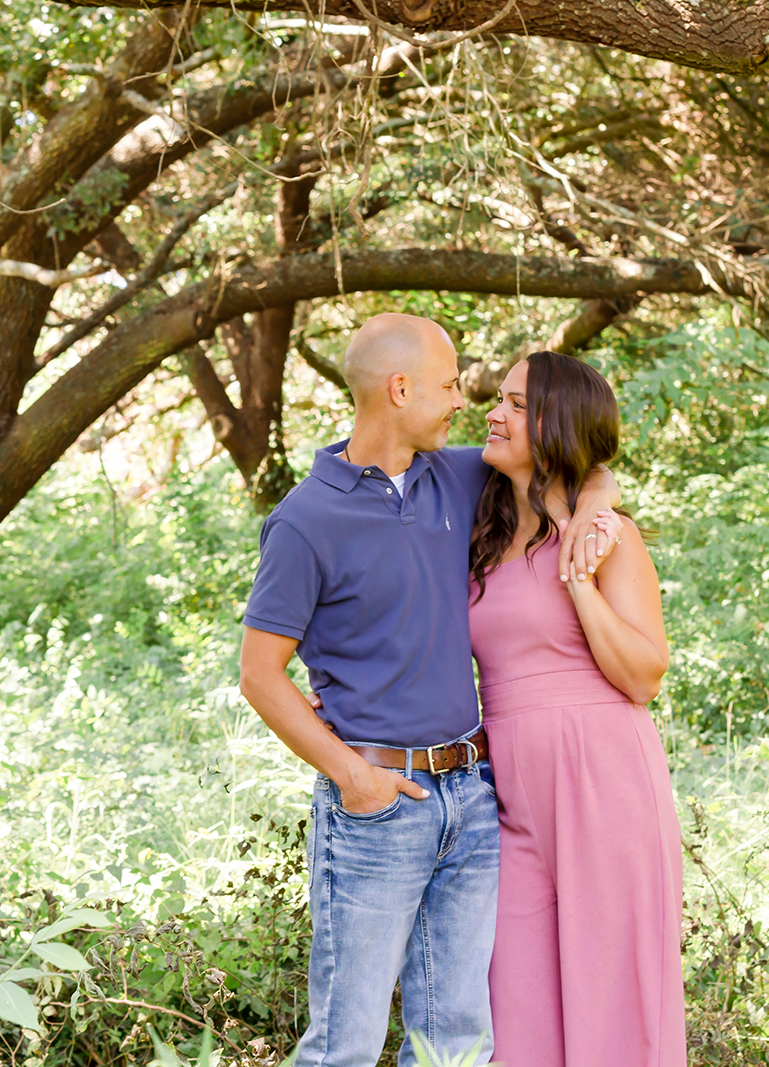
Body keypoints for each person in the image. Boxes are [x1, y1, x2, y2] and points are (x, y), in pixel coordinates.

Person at [238, 315, 619, 1067]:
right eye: (449, 385)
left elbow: (577, 460)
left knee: (457, 1042)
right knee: (343, 1043)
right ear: (399, 388)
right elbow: (259, 673)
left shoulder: (460, 475)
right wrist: (353, 775)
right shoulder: (305, 522)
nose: (463, 402)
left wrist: (596, 501)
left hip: (472, 798)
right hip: (379, 803)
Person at [469, 351, 684, 1067]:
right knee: (516, 1004)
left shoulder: (608, 535)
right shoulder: (480, 528)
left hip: (605, 778)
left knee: (613, 998)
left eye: (515, 403)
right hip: (508, 791)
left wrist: (579, 577)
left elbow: (643, 675)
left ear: (556, 423)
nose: (494, 415)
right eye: (495, 399)